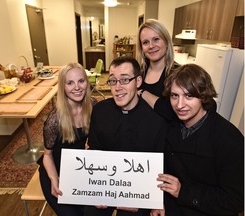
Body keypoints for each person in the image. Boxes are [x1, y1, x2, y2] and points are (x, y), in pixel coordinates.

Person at [151, 64, 244, 216]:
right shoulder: (171, 126)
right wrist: (158, 201)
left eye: (189, 96)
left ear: (203, 96)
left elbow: (235, 200)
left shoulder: (230, 140)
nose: (180, 105)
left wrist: (183, 192)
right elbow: (164, 172)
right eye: (175, 96)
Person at [84, 56, 168, 216]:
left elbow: (159, 163)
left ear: (138, 82)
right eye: (113, 81)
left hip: (139, 191)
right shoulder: (100, 111)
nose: (117, 87)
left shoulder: (156, 119)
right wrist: (94, 191)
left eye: (124, 80)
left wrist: (146, 201)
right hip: (105, 186)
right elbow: (94, 149)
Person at [37, 63, 97, 216]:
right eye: (70, 83)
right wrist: (54, 179)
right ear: (63, 87)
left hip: (78, 169)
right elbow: (47, 156)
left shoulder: (94, 106)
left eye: (81, 81)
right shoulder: (54, 120)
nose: (77, 87)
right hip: (56, 169)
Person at [136, 19, 179, 120]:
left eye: (156, 39)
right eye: (145, 42)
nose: (151, 46)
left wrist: (143, 93)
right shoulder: (139, 71)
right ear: (142, 47)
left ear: (166, 41)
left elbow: (174, 113)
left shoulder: (179, 73)